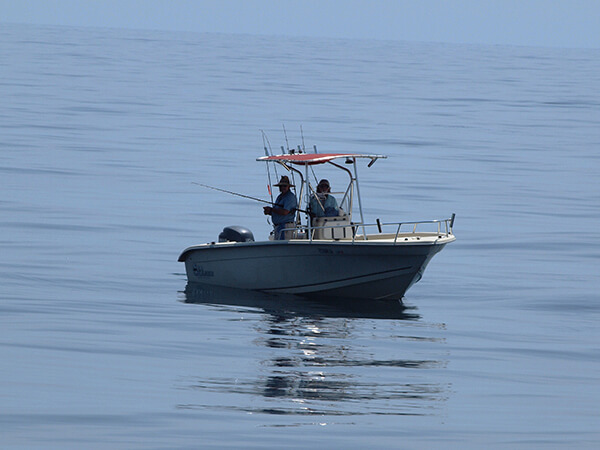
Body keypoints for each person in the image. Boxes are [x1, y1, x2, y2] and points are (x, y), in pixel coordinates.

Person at [263, 175, 298, 240]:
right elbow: (278, 211)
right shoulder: (280, 197)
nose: (283, 187)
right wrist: (270, 212)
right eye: (281, 186)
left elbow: (285, 212)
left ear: (288, 187)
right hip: (278, 227)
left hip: (285, 227)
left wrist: (272, 209)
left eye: (285, 186)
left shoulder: (290, 197)